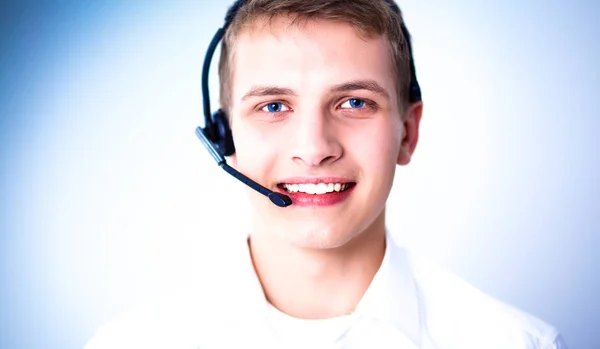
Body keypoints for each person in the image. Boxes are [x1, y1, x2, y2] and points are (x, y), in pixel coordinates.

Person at [85, 0, 568, 348]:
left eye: (355, 102)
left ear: (407, 133)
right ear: (223, 137)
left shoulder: (519, 344)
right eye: (274, 106)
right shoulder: (131, 343)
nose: (314, 149)